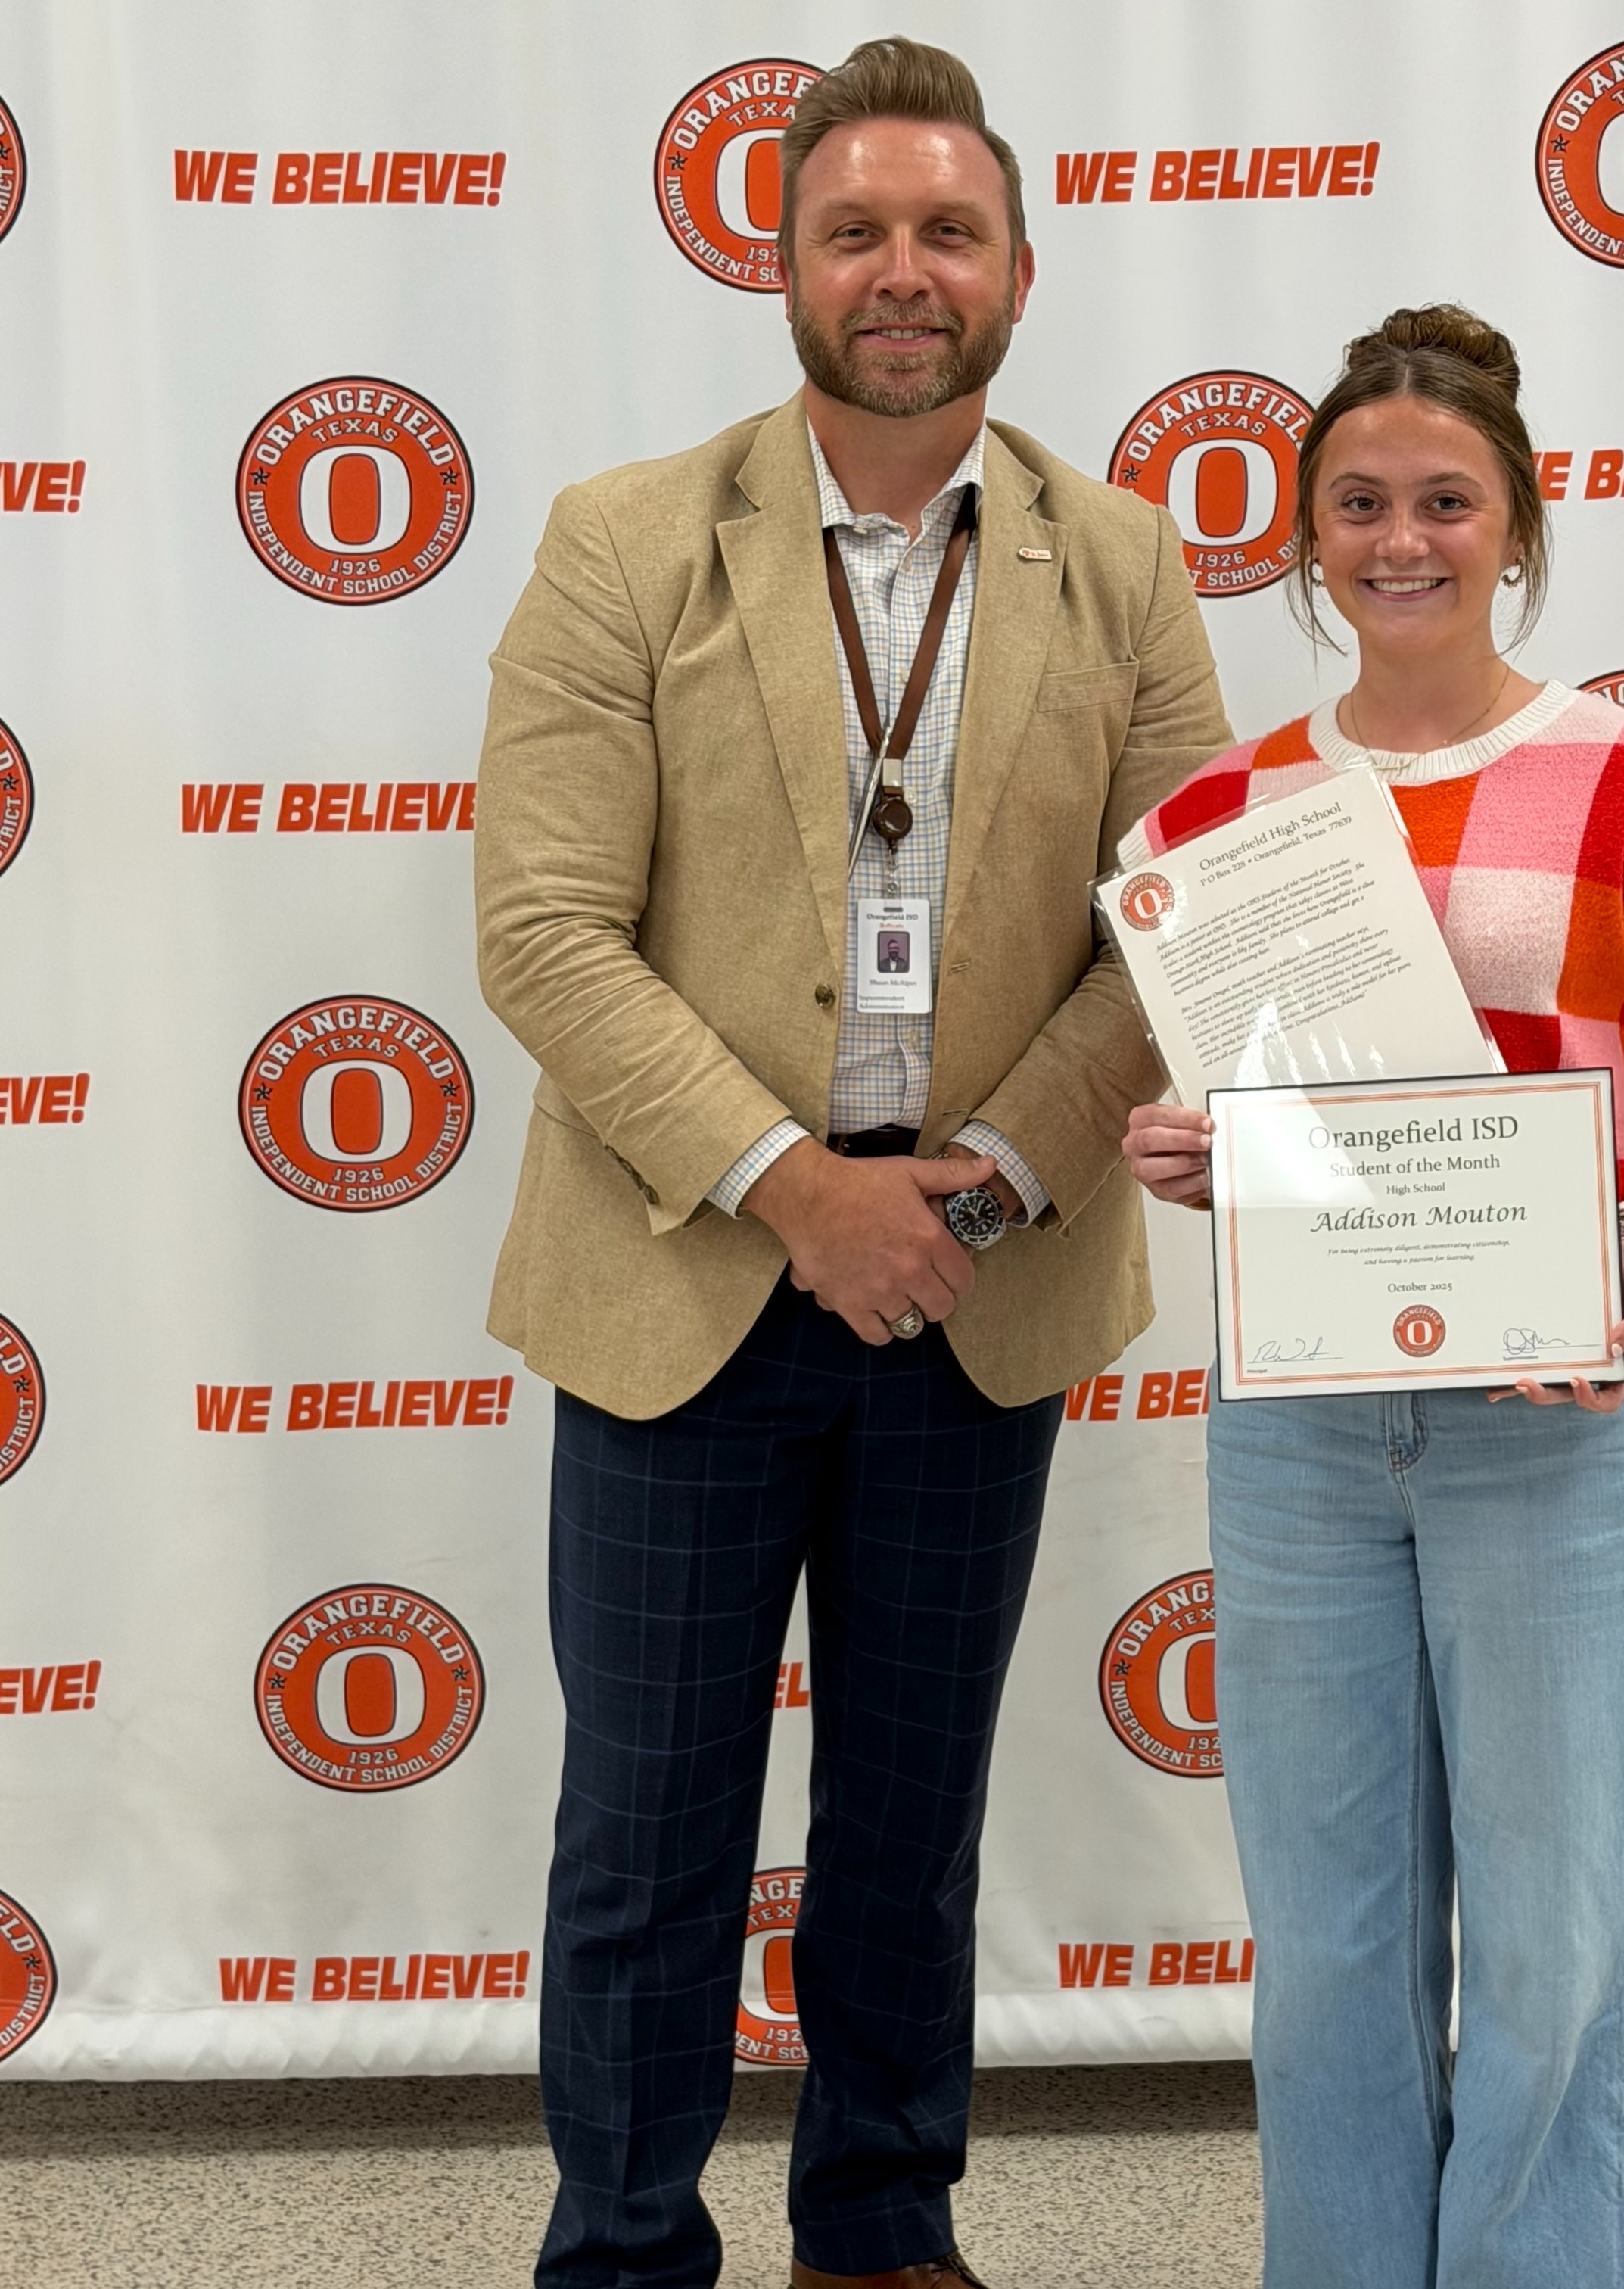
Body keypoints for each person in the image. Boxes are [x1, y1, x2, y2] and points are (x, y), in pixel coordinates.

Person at [474, 36, 1230, 2289]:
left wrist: (977, 1182)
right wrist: (803, 1191)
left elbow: (1177, 922)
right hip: (683, 1272)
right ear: (780, 260)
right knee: (648, 1835)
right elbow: (539, 926)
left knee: (910, 1827)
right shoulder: (629, 537)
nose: (905, 273)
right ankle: (622, 2247)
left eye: (948, 232)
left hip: (980, 1281)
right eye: (857, 232)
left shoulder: (1125, 561)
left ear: (1015, 267)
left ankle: (880, 2231)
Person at [1120, 305, 1624, 2289]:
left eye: (1444, 502)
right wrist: (1192, 1149)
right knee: (1328, 1942)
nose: (1400, 539)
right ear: (1306, 535)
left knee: (1564, 1936)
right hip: (1305, 1428)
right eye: (1359, 505)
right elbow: (1249, 1109)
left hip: (1559, 1431)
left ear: (1517, 522)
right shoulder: (1215, 825)